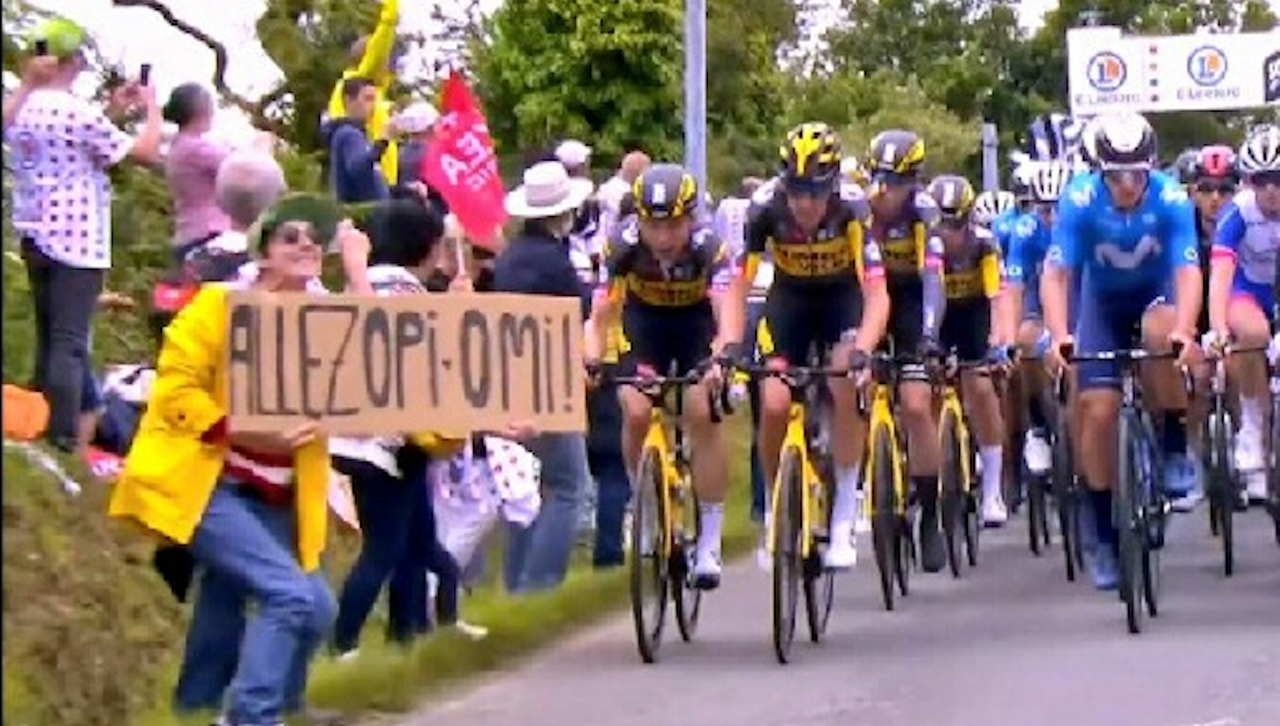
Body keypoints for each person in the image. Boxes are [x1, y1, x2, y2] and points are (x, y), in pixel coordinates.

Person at [110, 195, 362, 726]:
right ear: (264, 253)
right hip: (210, 483)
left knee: (283, 604)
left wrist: (360, 271)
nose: (307, 244)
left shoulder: (321, 317)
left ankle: (206, 709)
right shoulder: (220, 306)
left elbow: (381, 358)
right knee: (293, 599)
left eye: (315, 238)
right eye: (291, 236)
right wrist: (233, 426)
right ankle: (251, 716)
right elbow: (174, 389)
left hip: (277, 492)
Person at [1042, 113, 1202, 592]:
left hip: (1154, 293)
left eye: (1138, 174)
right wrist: (1058, 335)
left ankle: (1173, 444)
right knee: (1098, 409)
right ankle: (1102, 528)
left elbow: (1188, 271)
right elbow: (1056, 275)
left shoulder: (1172, 197)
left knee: (1163, 335)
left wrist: (1187, 329)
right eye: (1117, 175)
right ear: (1100, 171)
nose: (1129, 185)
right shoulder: (1079, 200)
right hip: (1101, 303)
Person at [5, 16, 162, 454]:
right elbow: (146, 154)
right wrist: (152, 108)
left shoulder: (25, 107)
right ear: (73, 61)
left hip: (35, 232)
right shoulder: (76, 111)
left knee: (49, 335)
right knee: (71, 342)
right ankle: (62, 436)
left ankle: (35, 421)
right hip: (76, 238)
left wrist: (114, 110)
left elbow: (80, 148)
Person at [736, 122, 890, 570]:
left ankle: (843, 513)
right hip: (790, 302)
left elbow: (877, 294)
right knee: (776, 400)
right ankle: (774, 507)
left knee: (844, 378)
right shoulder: (764, 208)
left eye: (815, 192)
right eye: (796, 191)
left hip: (842, 299)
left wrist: (864, 347)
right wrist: (729, 340)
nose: (804, 203)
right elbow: (737, 285)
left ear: (833, 185)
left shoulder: (853, 210)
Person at [584, 163, 742, 587]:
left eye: (674, 225)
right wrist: (592, 361)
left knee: (699, 409)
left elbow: (725, 306)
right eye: (654, 225)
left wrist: (722, 354)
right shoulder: (621, 246)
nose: (664, 237)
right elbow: (600, 315)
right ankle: (645, 503)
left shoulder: (710, 247)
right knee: (634, 409)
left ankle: (708, 537)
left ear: (691, 218)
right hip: (645, 325)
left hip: (695, 327)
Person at [328, 199, 467, 657]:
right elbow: (396, 351)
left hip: (366, 440)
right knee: (385, 550)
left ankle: (421, 631)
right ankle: (344, 644)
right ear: (426, 249)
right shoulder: (401, 293)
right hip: (385, 445)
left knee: (421, 544)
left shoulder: (368, 288)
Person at [495, 160, 597, 593]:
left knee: (526, 490)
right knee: (570, 487)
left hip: (506, 378)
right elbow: (579, 312)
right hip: (547, 380)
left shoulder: (512, 257)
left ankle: (517, 584)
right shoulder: (554, 263)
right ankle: (539, 584)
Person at [864, 128, 947, 572]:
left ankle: (930, 513)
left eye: (898, 182)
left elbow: (933, 279)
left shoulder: (924, 213)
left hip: (914, 302)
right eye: (881, 179)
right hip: (868, 298)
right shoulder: (857, 210)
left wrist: (929, 337)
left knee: (916, 406)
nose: (888, 191)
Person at [927, 174, 1012, 525]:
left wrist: (999, 342)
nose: (949, 233)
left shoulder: (983, 244)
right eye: (942, 225)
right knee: (927, 388)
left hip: (973, 314)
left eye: (957, 224)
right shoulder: (923, 244)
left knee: (979, 386)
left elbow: (997, 297)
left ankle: (992, 490)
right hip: (937, 316)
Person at [1206, 126, 1280, 506]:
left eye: (1279, 180)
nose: (1272, 190)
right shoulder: (1238, 212)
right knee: (1252, 334)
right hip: (1247, 290)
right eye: (1262, 181)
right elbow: (1220, 274)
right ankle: (1250, 428)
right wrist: (1218, 328)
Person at [1005, 160, 1077, 479]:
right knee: (1024, 343)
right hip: (1037, 299)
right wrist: (1008, 337)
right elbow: (1014, 288)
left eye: (1058, 208)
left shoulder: (1083, 226)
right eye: (1044, 209)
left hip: (1079, 297)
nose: (1052, 217)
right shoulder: (1026, 231)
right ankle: (1036, 426)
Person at [326, 0, 401, 183]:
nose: (387, 63)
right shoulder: (359, 79)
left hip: (380, 183)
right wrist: (390, 14)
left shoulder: (356, 88)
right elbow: (379, 48)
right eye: (384, 60)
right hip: (370, 185)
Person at [163, 83, 231, 259]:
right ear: (201, 111)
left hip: (189, 232)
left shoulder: (178, 145)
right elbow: (240, 167)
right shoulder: (195, 147)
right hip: (208, 232)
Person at [324, 77, 393, 204]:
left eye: (374, 100)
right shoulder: (349, 134)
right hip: (361, 216)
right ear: (349, 101)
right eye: (367, 99)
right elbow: (360, 168)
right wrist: (382, 142)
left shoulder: (359, 134)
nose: (373, 106)